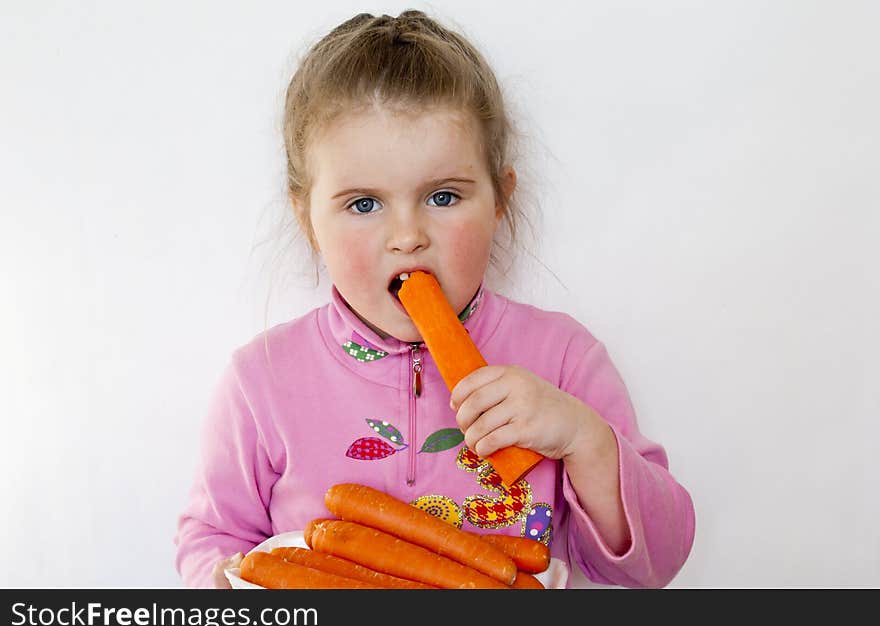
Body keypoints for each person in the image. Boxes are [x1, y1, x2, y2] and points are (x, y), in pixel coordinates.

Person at [174, 9, 695, 589]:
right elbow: (212, 538)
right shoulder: (262, 381)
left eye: (443, 196)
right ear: (307, 218)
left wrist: (583, 439)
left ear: (500, 199)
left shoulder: (564, 358)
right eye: (363, 204)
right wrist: (219, 585)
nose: (407, 235)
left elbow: (659, 562)